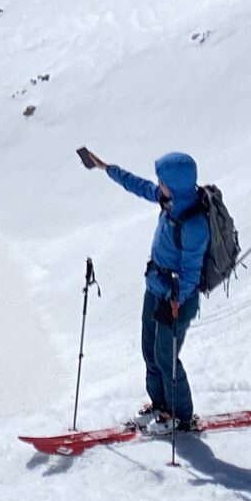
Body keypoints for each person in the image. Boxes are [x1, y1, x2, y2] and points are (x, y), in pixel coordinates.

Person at [76, 146, 209, 434]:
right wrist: (107, 168)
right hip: (156, 289)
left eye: (162, 180)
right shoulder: (168, 200)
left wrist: (175, 297)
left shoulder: (194, 223)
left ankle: (182, 416)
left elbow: (191, 274)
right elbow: (138, 186)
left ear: (175, 184)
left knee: (166, 357)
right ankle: (160, 405)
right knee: (149, 351)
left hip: (176, 298)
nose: (158, 184)